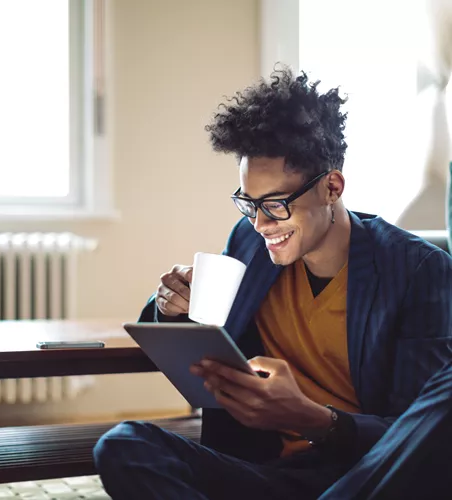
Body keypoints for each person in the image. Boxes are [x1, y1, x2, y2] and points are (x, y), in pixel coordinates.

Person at [93, 66, 452, 499]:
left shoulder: (417, 271)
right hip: (267, 471)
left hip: (363, 476)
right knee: (124, 444)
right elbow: (208, 341)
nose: (262, 223)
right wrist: (169, 306)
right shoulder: (248, 241)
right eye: (249, 203)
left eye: (277, 204)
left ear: (332, 187)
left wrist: (311, 418)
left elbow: (420, 438)